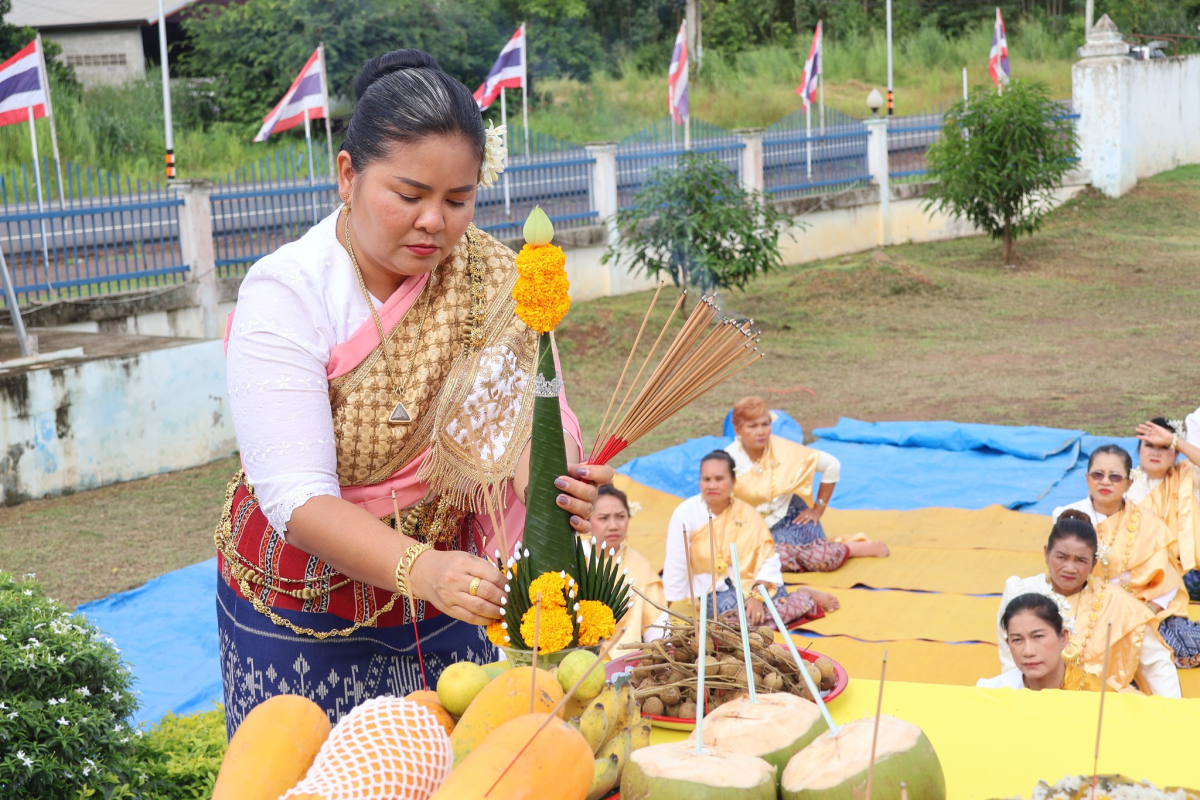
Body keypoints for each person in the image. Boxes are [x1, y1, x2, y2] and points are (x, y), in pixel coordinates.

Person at [216, 49, 612, 737]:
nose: (436, 222)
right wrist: (419, 569)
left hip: (452, 594)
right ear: (348, 174)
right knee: (310, 775)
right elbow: (300, 500)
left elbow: (520, 415)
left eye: (458, 200)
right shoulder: (288, 294)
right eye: (410, 196)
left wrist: (551, 473)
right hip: (305, 600)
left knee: (453, 765)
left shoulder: (489, 275)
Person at [996, 511, 1179, 696]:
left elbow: (1156, 664)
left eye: (1081, 560)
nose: (1069, 568)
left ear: (1093, 564)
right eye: (1061, 557)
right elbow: (1010, 662)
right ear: (1046, 553)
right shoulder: (1021, 592)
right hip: (1033, 697)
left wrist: (1173, 712)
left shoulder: (1119, 604)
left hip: (1103, 701)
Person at [1053, 445, 1199, 669]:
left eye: (1115, 477)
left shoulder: (1149, 522)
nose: (1105, 482)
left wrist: (1143, 614)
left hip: (1143, 610)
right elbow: (1060, 575)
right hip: (1084, 609)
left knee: (1176, 644)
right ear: (1087, 478)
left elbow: (1167, 582)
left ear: (1129, 483)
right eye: (1098, 475)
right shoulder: (1067, 517)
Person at [663, 451, 839, 631]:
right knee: (733, 624)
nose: (712, 485)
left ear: (733, 482)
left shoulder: (747, 514)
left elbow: (768, 558)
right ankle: (802, 600)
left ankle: (803, 597)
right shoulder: (685, 514)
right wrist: (663, 613)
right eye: (706, 479)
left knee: (752, 618)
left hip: (755, 584)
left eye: (719, 478)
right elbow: (676, 562)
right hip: (714, 591)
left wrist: (756, 596)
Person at [725, 396, 888, 573]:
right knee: (763, 562)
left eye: (765, 424)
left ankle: (852, 549)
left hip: (790, 516)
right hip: (752, 526)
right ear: (737, 429)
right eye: (753, 426)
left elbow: (832, 466)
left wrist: (818, 509)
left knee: (823, 559)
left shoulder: (783, 450)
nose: (761, 432)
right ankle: (798, 554)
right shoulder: (726, 460)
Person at [590, 484, 670, 650]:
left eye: (620, 516)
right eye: (603, 518)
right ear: (587, 518)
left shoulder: (640, 566)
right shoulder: (574, 558)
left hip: (625, 662)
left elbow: (659, 629)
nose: (613, 525)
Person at [1131, 416, 1200, 601]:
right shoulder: (1126, 485)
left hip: (1190, 573)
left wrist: (1175, 441)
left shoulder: (1187, 475)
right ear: (1139, 450)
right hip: (1140, 572)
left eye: (1164, 447)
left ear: (1176, 453)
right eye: (1149, 445)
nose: (1156, 453)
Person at [978, 593, 1070, 691]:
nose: (1028, 652)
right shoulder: (991, 692)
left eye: (1038, 636)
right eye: (1017, 640)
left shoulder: (1086, 690)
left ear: (1063, 637)